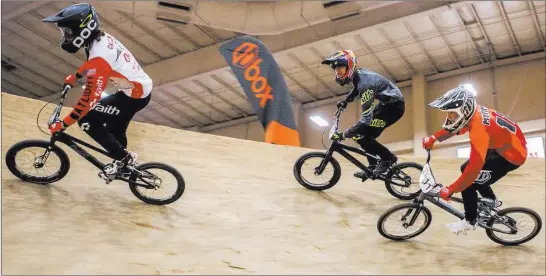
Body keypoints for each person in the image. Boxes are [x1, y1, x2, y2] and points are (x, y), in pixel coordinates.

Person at [43, 3, 153, 181]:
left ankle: (124, 159)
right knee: (114, 127)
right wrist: (77, 75)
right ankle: (124, 164)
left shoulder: (99, 56)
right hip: (137, 91)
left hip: (134, 96)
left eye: (68, 32)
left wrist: (64, 124)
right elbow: (94, 63)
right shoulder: (100, 39)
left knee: (87, 120)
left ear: (83, 30)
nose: (65, 37)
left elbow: (88, 101)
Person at [422, 85, 527, 235]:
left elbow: (474, 169)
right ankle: (491, 201)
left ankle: (470, 221)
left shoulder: (479, 131)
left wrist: (451, 189)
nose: (450, 117)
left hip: (511, 157)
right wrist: (434, 138)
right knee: (465, 170)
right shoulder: (474, 113)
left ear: (464, 110)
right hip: (504, 146)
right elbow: (459, 127)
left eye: (452, 114)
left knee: (468, 184)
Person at [321, 50, 405, 178]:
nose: (337, 71)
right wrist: (346, 101)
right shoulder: (358, 75)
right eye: (335, 68)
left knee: (361, 134)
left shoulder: (366, 84)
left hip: (393, 109)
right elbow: (356, 88)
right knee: (360, 136)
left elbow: (366, 119)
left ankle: (388, 158)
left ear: (349, 66)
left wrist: (344, 134)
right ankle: (372, 166)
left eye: (340, 67)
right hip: (386, 105)